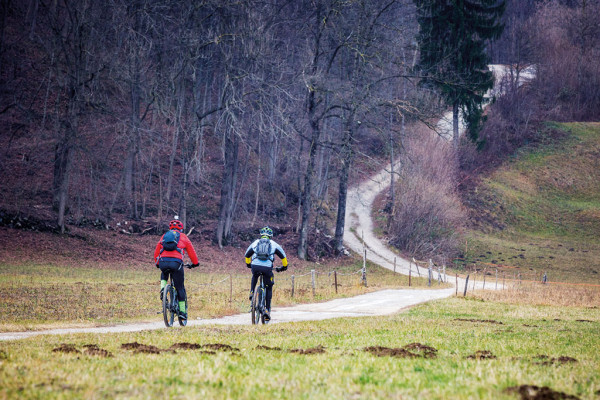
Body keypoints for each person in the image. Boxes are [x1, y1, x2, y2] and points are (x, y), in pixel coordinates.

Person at [154, 218, 199, 321]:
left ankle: (162, 289)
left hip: (163, 262)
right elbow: (191, 251)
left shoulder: (164, 236)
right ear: (181, 229)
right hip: (176, 263)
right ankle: (182, 312)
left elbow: (157, 250)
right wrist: (195, 263)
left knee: (164, 271)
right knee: (180, 288)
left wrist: (157, 263)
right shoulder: (183, 237)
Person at [244, 226, 288, 321]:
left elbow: (247, 255)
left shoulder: (256, 242)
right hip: (267, 268)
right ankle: (267, 310)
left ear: (261, 235)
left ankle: (252, 292)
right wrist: (284, 267)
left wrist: (248, 264)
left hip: (255, 266)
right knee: (268, 287)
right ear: (271, 236)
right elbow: (283, 257)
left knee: (255, 275)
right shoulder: (274, 244)